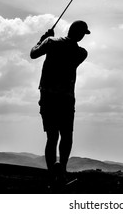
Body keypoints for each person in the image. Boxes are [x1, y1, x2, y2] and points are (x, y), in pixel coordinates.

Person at [30, 20, 90, 186]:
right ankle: (62, 170)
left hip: (48, 96)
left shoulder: (51, 43)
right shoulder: (81, 53)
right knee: (67, 135)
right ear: (80, 34)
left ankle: (52, 175)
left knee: (52, 136)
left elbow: (33, 54)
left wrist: (43, 39)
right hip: (66, 98)